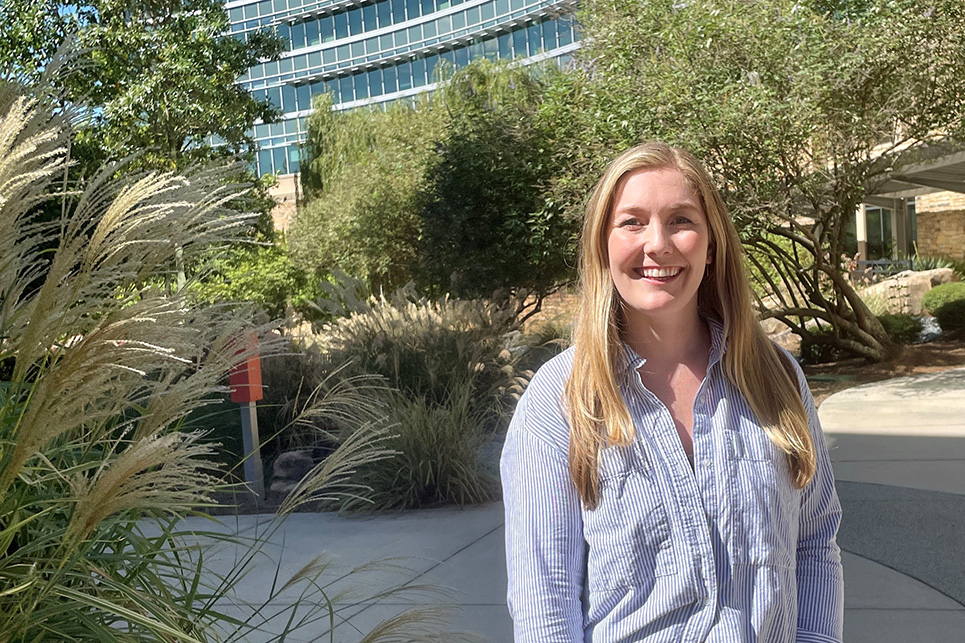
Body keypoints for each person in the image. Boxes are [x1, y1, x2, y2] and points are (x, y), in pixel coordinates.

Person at [500, 142, 843, 642]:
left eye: (681, 220)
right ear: (603, 244)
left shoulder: (776, 377)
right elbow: (544, 605)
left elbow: (814, 542)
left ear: (712, 243)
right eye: (632, 222)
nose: (656, 244)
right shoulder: (560, 401)